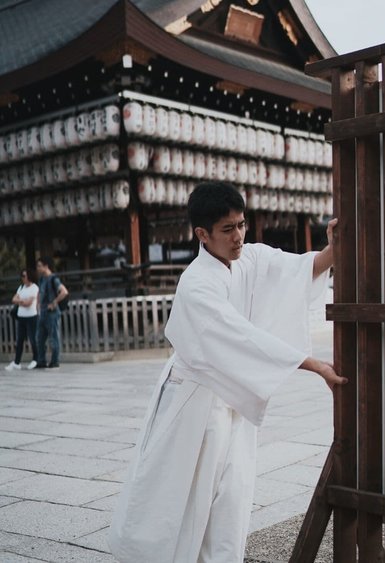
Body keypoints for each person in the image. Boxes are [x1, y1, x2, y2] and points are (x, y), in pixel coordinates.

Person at [109, 182, 346, 562]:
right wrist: (313, 364)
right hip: (192, 401)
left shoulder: (248, 258)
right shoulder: (196, 284)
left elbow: (298, 270)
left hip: (230, 398)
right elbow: (239, 337)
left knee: (231, 497)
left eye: (241, 225)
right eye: (228, 229)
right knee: (180, 498)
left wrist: (333, 250)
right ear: (203, 234)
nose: (238, 237)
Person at [35, 256, 69, 369]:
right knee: (39, 338)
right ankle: (41, 361)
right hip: (43, 311)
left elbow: (64, 292)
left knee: (53, 337)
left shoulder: (53, 278)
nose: (38, 268)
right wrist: (38, 303)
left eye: (40, 266)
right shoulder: (41, 279)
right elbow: (40, 292)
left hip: (52, 312)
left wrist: (54, 302)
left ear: (46, 266)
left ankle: (55, 361)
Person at [6, 269, 39, 371]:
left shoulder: (34, 288)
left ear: (29, 276)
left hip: (31, 317)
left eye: (24, 276)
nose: (23, 278)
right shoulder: (21, 287)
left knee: (33, 339)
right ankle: (17, 362)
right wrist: (22, 301)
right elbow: (13, 299)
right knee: (20, 340)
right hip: (21, 317)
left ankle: (36, 359)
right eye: (22, 276)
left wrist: (19, 301)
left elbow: (28, 303)